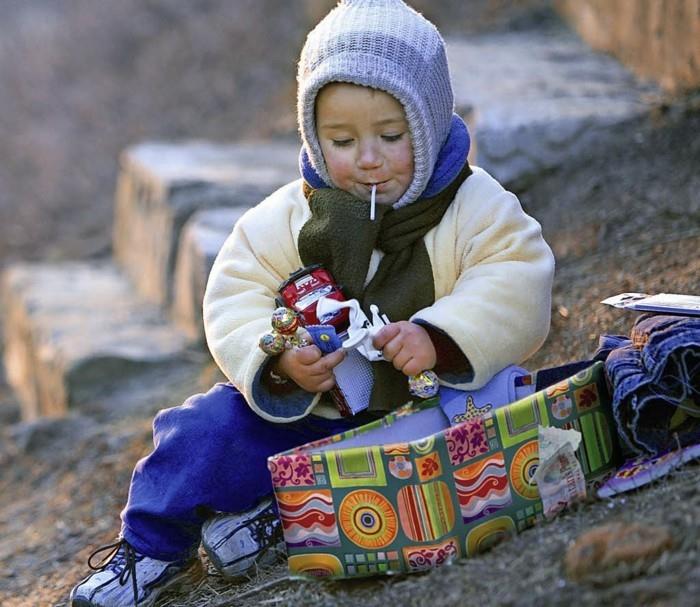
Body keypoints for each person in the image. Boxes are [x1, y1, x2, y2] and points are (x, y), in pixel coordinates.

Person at [70, 0, 555, 605]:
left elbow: (516, 275)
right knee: (204, 430)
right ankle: (151, 549)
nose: (369, 158)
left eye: (391, 136)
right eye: (343, 141)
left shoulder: (475, 206)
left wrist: (439, 334)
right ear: (313, 136)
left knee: (508, 409)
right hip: (317, 416)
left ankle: (279, 518)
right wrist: (280, 360)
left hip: (430, 414)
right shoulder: (290, 215)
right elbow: (235, 291)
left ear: (428, 123)